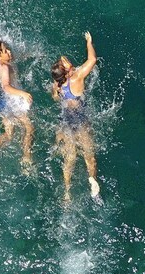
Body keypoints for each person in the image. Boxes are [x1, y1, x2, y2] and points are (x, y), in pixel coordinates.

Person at [51, 32, 100, 201]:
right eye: (67, 65)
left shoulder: (57, 83)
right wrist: (89, 42)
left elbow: (55, 97)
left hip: (65, 121)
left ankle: (66, 192)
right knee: (89, 156)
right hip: (80, 121)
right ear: (69, 72)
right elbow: (92, 59)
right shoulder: (77, 77)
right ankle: (93, 182)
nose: (67, 61)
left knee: (70, 157)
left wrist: (65, 67)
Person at [0, 39, 34, 173]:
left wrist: (32, 55)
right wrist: (22, 93)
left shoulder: (3, 62)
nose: (9, 52)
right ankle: (26, 157)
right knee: (29, 127)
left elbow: (17, 58)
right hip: (7, 99)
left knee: (9, 134)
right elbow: (6, 86)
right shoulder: (4, 67)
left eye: (8, 49)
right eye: (5, 51)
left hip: (0, 100)